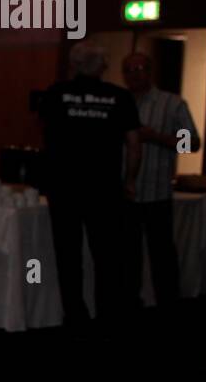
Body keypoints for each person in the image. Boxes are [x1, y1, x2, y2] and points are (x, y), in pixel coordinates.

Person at [39, 43, 141, 329]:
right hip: (105, 190)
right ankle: (107, 315)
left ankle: (75, 315)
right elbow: (134, 145)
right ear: (102, 66)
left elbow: (45, 136)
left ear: (73, 65)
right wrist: (129, 181)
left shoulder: (56, 94)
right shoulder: (120, 97)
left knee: (68, 256)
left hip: (64, 190)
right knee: (107, 257)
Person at [121, 52, 200, 310]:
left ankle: (169, 310)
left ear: (150, 71)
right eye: (129, 70)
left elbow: (192, 144)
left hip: (157, 194)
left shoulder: (173, 103)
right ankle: (130, 306)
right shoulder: (119, 103)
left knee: (162, 258)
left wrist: (156, 137)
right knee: (127, 258)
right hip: (126, 195)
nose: (134, 74)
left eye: (140, 68)